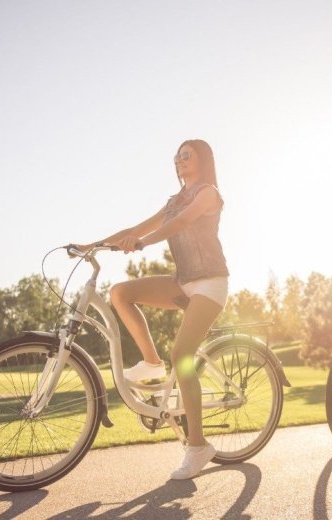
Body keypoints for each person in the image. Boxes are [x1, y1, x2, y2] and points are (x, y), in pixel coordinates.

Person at [74, 139, 229, 479]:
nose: (179, 160)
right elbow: (134, 230)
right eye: (177, 156)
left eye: (186, 155)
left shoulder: (209, 193)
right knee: (120, 292)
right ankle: (150, 362)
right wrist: (93, 245)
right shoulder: (173, 201)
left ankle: (198, 447)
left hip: (210, 283)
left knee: (182, 356)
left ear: (203, 160)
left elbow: (181, 224)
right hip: (183, 280)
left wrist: (144, 243)